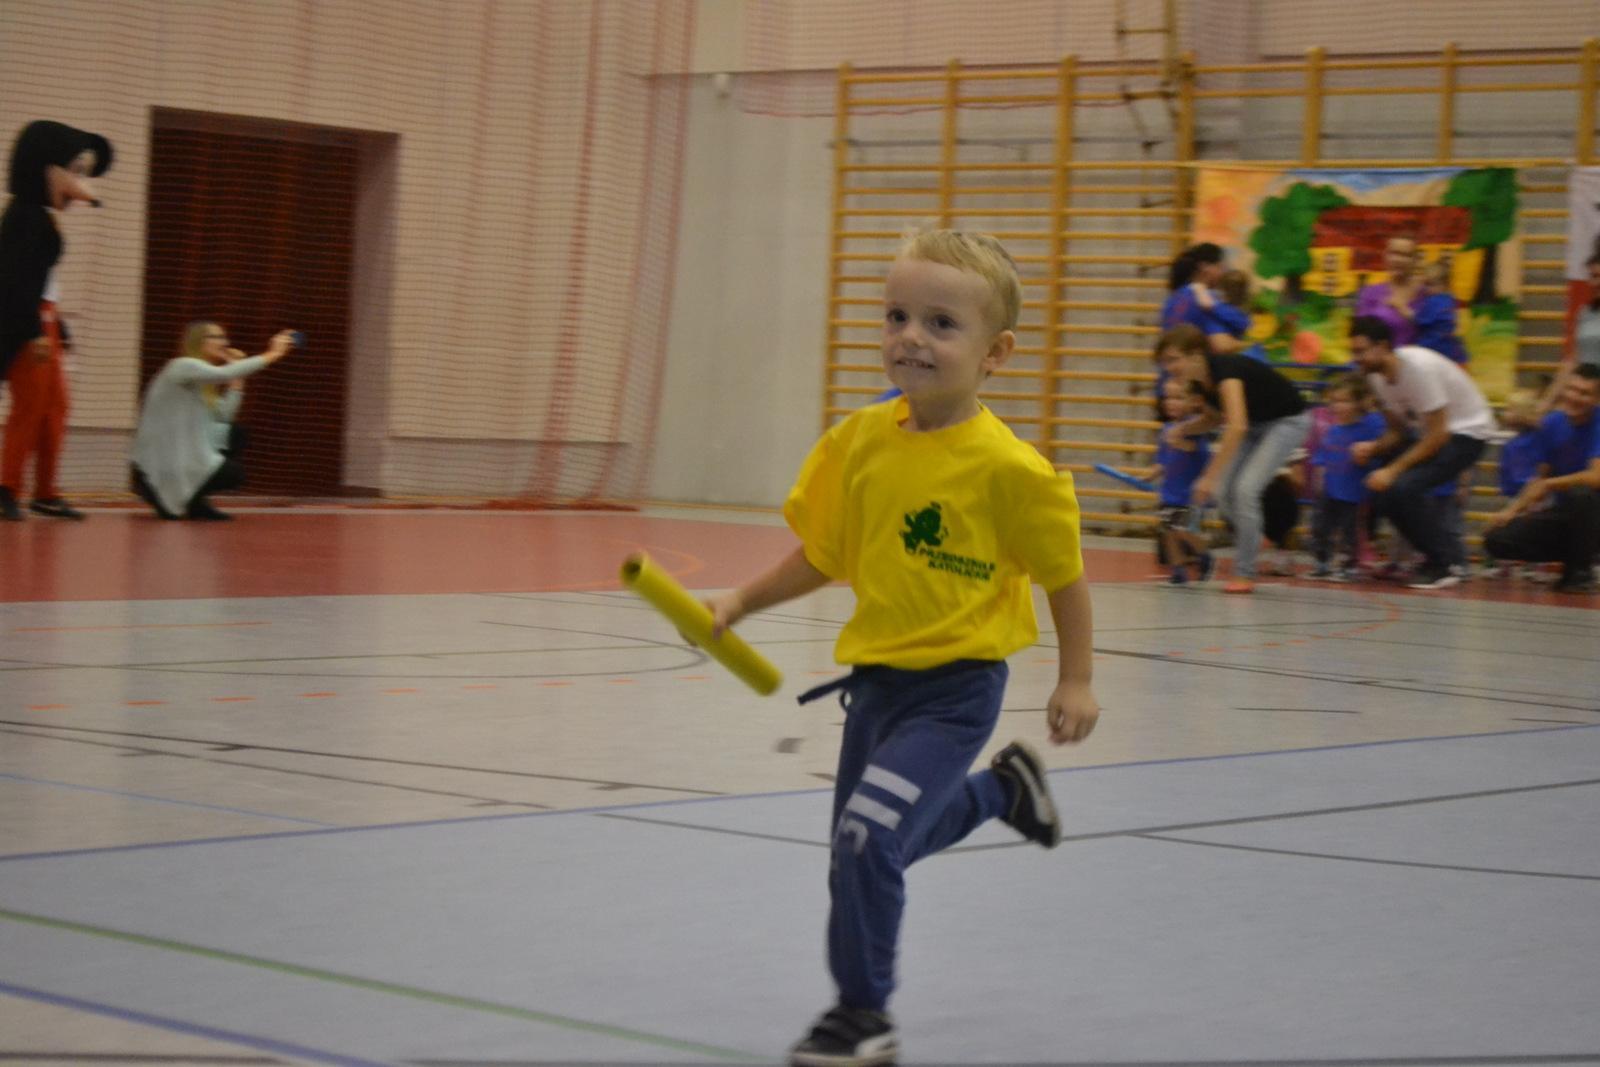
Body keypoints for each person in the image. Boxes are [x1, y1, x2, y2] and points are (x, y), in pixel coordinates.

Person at [704, 229, 1099, 1067]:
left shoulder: (1010, 471)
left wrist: (1076, 679)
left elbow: (1066, 578)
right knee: (866, 848)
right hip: (877, 689)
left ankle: (862, 1015)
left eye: (941, 323)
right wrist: (741, 600)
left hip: (956, 694)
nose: (911, 337)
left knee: (866, 837)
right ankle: (1004, 791)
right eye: (897, 316)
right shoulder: (860, 443)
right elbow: (825, 555)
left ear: (996, 353)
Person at [0, 120, 113, 521]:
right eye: (75, 170)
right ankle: (6, 486)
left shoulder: (39, 217)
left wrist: (57, 325)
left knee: (55, 406)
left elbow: (41, 279)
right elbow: (14, 281)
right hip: (27, 322)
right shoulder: (25, 217)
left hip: (43, 318)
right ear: (46, 169)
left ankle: (45, 490)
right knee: (31, 405)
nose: (80, 184)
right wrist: (34, 331)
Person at [1154, 323, 1312, 594]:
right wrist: (1184, 429)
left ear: (1196, 355)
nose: (1169, 367)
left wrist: (1208, 476)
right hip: (1256, 424)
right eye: (1165, 362)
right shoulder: (1200, 384)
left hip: (1287, 422)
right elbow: (1215, 419)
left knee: (1245, 489)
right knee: (1223, 491)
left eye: (1173, 359)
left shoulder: (1226, 372)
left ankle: (1245, 572)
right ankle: (1254, 535)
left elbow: (1236, 426)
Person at [1348, 315, 1495, 590]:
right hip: (1435, 435)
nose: (1356, 358)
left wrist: (1392, 470)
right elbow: (1398, 431)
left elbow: (1439, 434)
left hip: (1468, 433)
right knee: (1385, 495)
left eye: (1361, 351)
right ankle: (1436, 558)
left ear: (1382, 346)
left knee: (1403, 487)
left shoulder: (1418, 370)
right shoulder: (1378, 379)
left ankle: (1445, 563)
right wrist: (1374, 448)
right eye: (1354, 351)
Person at [130, 322, 297, 520]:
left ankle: (194, 502)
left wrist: (237, 378)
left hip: (178, 461)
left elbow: (224, 415)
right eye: (217, 337)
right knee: (231, 472)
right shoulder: (181, 365)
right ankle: (173, 497)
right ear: (199, 341)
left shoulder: (200, 381)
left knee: (234, 435)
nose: (225, 343)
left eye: (224, 337)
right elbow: (222, 374)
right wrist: (273, 354)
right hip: (154, 470)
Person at [1482, 364, 1600, 594]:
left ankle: (1580, 572)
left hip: (1594, 514)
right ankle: (1577, 556)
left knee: (1582, 494)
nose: (1574, 397)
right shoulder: (1552, 423)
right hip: (1568, 515)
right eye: (1571, 389)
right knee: (1497, 539)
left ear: (1596, 399)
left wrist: (1549, 484)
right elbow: (1540, 478)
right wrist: (1510, 511)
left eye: (1584, 393)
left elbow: (1595, 477)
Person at [1309, 374, 1386, 581]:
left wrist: (1367, 460)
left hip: (1352, 492)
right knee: (1320, 525)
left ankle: (1349, 565)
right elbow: (1322, 454)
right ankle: (1322, 562)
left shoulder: (1370, 426)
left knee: (1349, 530)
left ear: (1359, 403)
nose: (1338, 406)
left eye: (1345, 401)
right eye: (1335, 401)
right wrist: (1319, 473)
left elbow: (1379, 452)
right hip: (1329, 489)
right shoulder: (1334, 429)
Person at [1153, 377, 1213, 584]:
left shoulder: (1196, 427)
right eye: (1167, 398)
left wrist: (1183, 444)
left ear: (1193, 401)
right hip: (1169, 491)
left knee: (1185, 530)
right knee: (1168, 531)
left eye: (1178, 398)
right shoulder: (1166, 429)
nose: (1171, 403)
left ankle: (1204, 553)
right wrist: (1152, 472)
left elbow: (1203, 454)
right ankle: (1178, 568)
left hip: (1190, 493)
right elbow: (1163, 460)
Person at [1482, 389, 1544, 577]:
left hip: (1532, 494)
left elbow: (1541, 466)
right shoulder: (1511, 444)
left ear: (1522, 413)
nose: (1506, 414)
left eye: (1510, 409)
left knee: (1533, 529)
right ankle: (1499, 562)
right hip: (1512, 493)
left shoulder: (1537, 439)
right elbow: (1505, 468)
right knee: (1500, 524)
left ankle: (1535, 565)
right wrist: (1504, 489)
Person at [1353, 235, 1425, 347]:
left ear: (1416, 260)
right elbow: (1359, 336)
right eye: (1394, 253)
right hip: (1376, 357)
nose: (1398, 260)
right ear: (1385, 256)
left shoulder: (1427, 295)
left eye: (1406, 255)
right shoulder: (1370, 293)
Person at [1414, 260, 1467, 364]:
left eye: (1430, 284)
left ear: (1444, 285)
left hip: (1434, 345)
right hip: (1449, 346)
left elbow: (1418, 320)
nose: (1425, 288)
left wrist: (1401, 308)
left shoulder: (1434, 301)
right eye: (1425, 284)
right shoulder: (1450, 299)